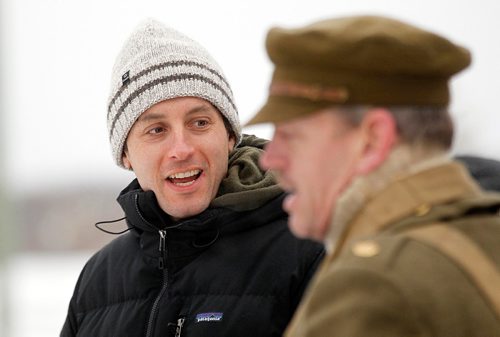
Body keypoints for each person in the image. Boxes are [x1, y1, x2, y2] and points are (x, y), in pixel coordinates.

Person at [61, 19, 324, 337]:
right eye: (156, 130)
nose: (181, 149)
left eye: (199, 123)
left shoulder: (307, 252)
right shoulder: (98, 279)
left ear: (229, 136)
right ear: (126, 155)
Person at [247, 15, 500, 337]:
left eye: (292, 136)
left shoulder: (374, 285)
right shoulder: (487, 236)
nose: (270, 159)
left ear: (373, 140)